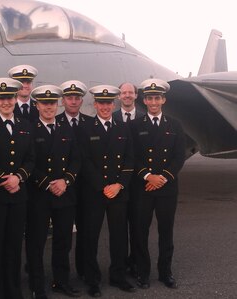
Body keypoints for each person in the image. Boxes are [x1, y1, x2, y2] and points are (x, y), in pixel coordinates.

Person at [0, 77, 35, 299]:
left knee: (13, 246)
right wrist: (5, 178)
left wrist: (18, 178)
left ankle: (13, 291)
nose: (5, 102)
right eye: (1, 98)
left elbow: (31, 159)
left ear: (15, 97)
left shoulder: (25, 125)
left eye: (9, 97)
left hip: (18, 196)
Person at [25, 85, 81, 299]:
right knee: (36, 242)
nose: (48, 107)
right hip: (40, 195)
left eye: (52, 103)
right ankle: (36, 286)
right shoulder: (29, 129)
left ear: (58, 104)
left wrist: (66, 181)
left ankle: (61, 281)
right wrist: (49, 183)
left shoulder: (67, 129)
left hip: (64, 194)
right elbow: (28, 162)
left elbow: (76, 159)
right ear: (37, 105)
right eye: (44, 103)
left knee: (63, 241)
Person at [131, 79, 186, 290]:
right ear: (144, 100)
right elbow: (133, 156)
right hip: (144, 188)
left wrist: (162, 177)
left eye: (157, 97)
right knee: (140, 231)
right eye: (150, 98)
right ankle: (143, 273)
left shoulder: (175, 125)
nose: (153, 101)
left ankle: (165, 272)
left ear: (163, 99)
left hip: (167, 187)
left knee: (166, 231)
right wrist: (147, 176)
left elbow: (179, 156)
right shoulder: (135, 126)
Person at [81, 85, 135, 297]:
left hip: (118, 192)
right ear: (95, 104)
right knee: (90, 237)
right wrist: (102, 186)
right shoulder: (86, 128)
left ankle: (118, 276)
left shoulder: (123, 129)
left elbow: (130, 160)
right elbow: (84, 162)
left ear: (114, 104)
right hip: (94, 193)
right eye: (101, 103)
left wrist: (119, 184)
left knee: (119, 237)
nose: (105, 106)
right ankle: (92, 279)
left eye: (108, 103)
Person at [56, 80, 93, 280]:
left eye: (77, 97)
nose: (73, 101)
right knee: (63, 236)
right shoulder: (56, 122)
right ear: (63, 101)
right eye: (69, 97)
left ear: (81, 100)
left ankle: (85, 273)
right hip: (65, 187)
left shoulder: (90, 123)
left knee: (86, 234)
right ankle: (61, 276)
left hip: (87, 188)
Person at [112, 82, 144, 278]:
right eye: (123, 93)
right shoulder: (112, 117)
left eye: (130, 92)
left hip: (140, 182)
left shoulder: (144, 117)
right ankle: (121, 266)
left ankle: (137, 265)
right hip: (120, 181)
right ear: (119, 96)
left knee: (138, 228)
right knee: (119, 229)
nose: (127, 95)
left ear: (136, 95)